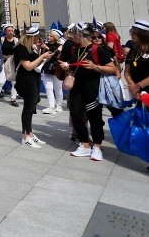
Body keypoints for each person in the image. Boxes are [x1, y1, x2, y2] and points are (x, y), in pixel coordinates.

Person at [62, 24, 117, 161]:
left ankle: (97, 147)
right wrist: (67, 68)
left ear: (81, 35)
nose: (72, 36)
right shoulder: (76, 49)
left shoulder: (97, 49)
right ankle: (85, 145)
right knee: (75, 115)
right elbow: (73, 67)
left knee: (94, 117)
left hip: (93, 88)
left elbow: (113, 69)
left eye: (74, 34)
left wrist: (95, 66)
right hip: (77, 88)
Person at [13, 26, 52, 148]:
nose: (39, 39)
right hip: (26, 80)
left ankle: (30, 132)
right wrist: (42, 57)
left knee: (32, 106)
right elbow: (28, 66)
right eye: (37, 37)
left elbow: (35, 63)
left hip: (33, 79)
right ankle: (26, 136)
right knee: (28, 108)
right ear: (32, 37)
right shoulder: (21, 48)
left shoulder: (31, 47)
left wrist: (40, 52)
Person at [40, 29, 65, 114]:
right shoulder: (44, 45)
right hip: (46, 68)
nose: (48, 37)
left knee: (58, 88)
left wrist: (46, 48)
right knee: (48, 88)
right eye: (48, 35)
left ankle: (58, 105)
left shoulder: (60, 45)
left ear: (55, 37)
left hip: (56, 68)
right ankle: (51, 106)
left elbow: (56, 54)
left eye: (51, 36)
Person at [124, 20, 149, 103]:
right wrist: (133, 86)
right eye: (131, 32)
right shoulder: (133, 51)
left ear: (142, 34)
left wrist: (138, 86)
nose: (131, 34)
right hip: (138, 93)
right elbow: (127, 72)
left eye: (133, 32)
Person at [0, 25, 20, 107]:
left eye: (11, 30)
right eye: (8, 30)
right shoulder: (2, 39)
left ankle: (13, 99)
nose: (10, 32)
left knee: (14, 82)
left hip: (13, 62)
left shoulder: (16, 40)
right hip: (4, 61)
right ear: (5, 31)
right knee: (1, 81)